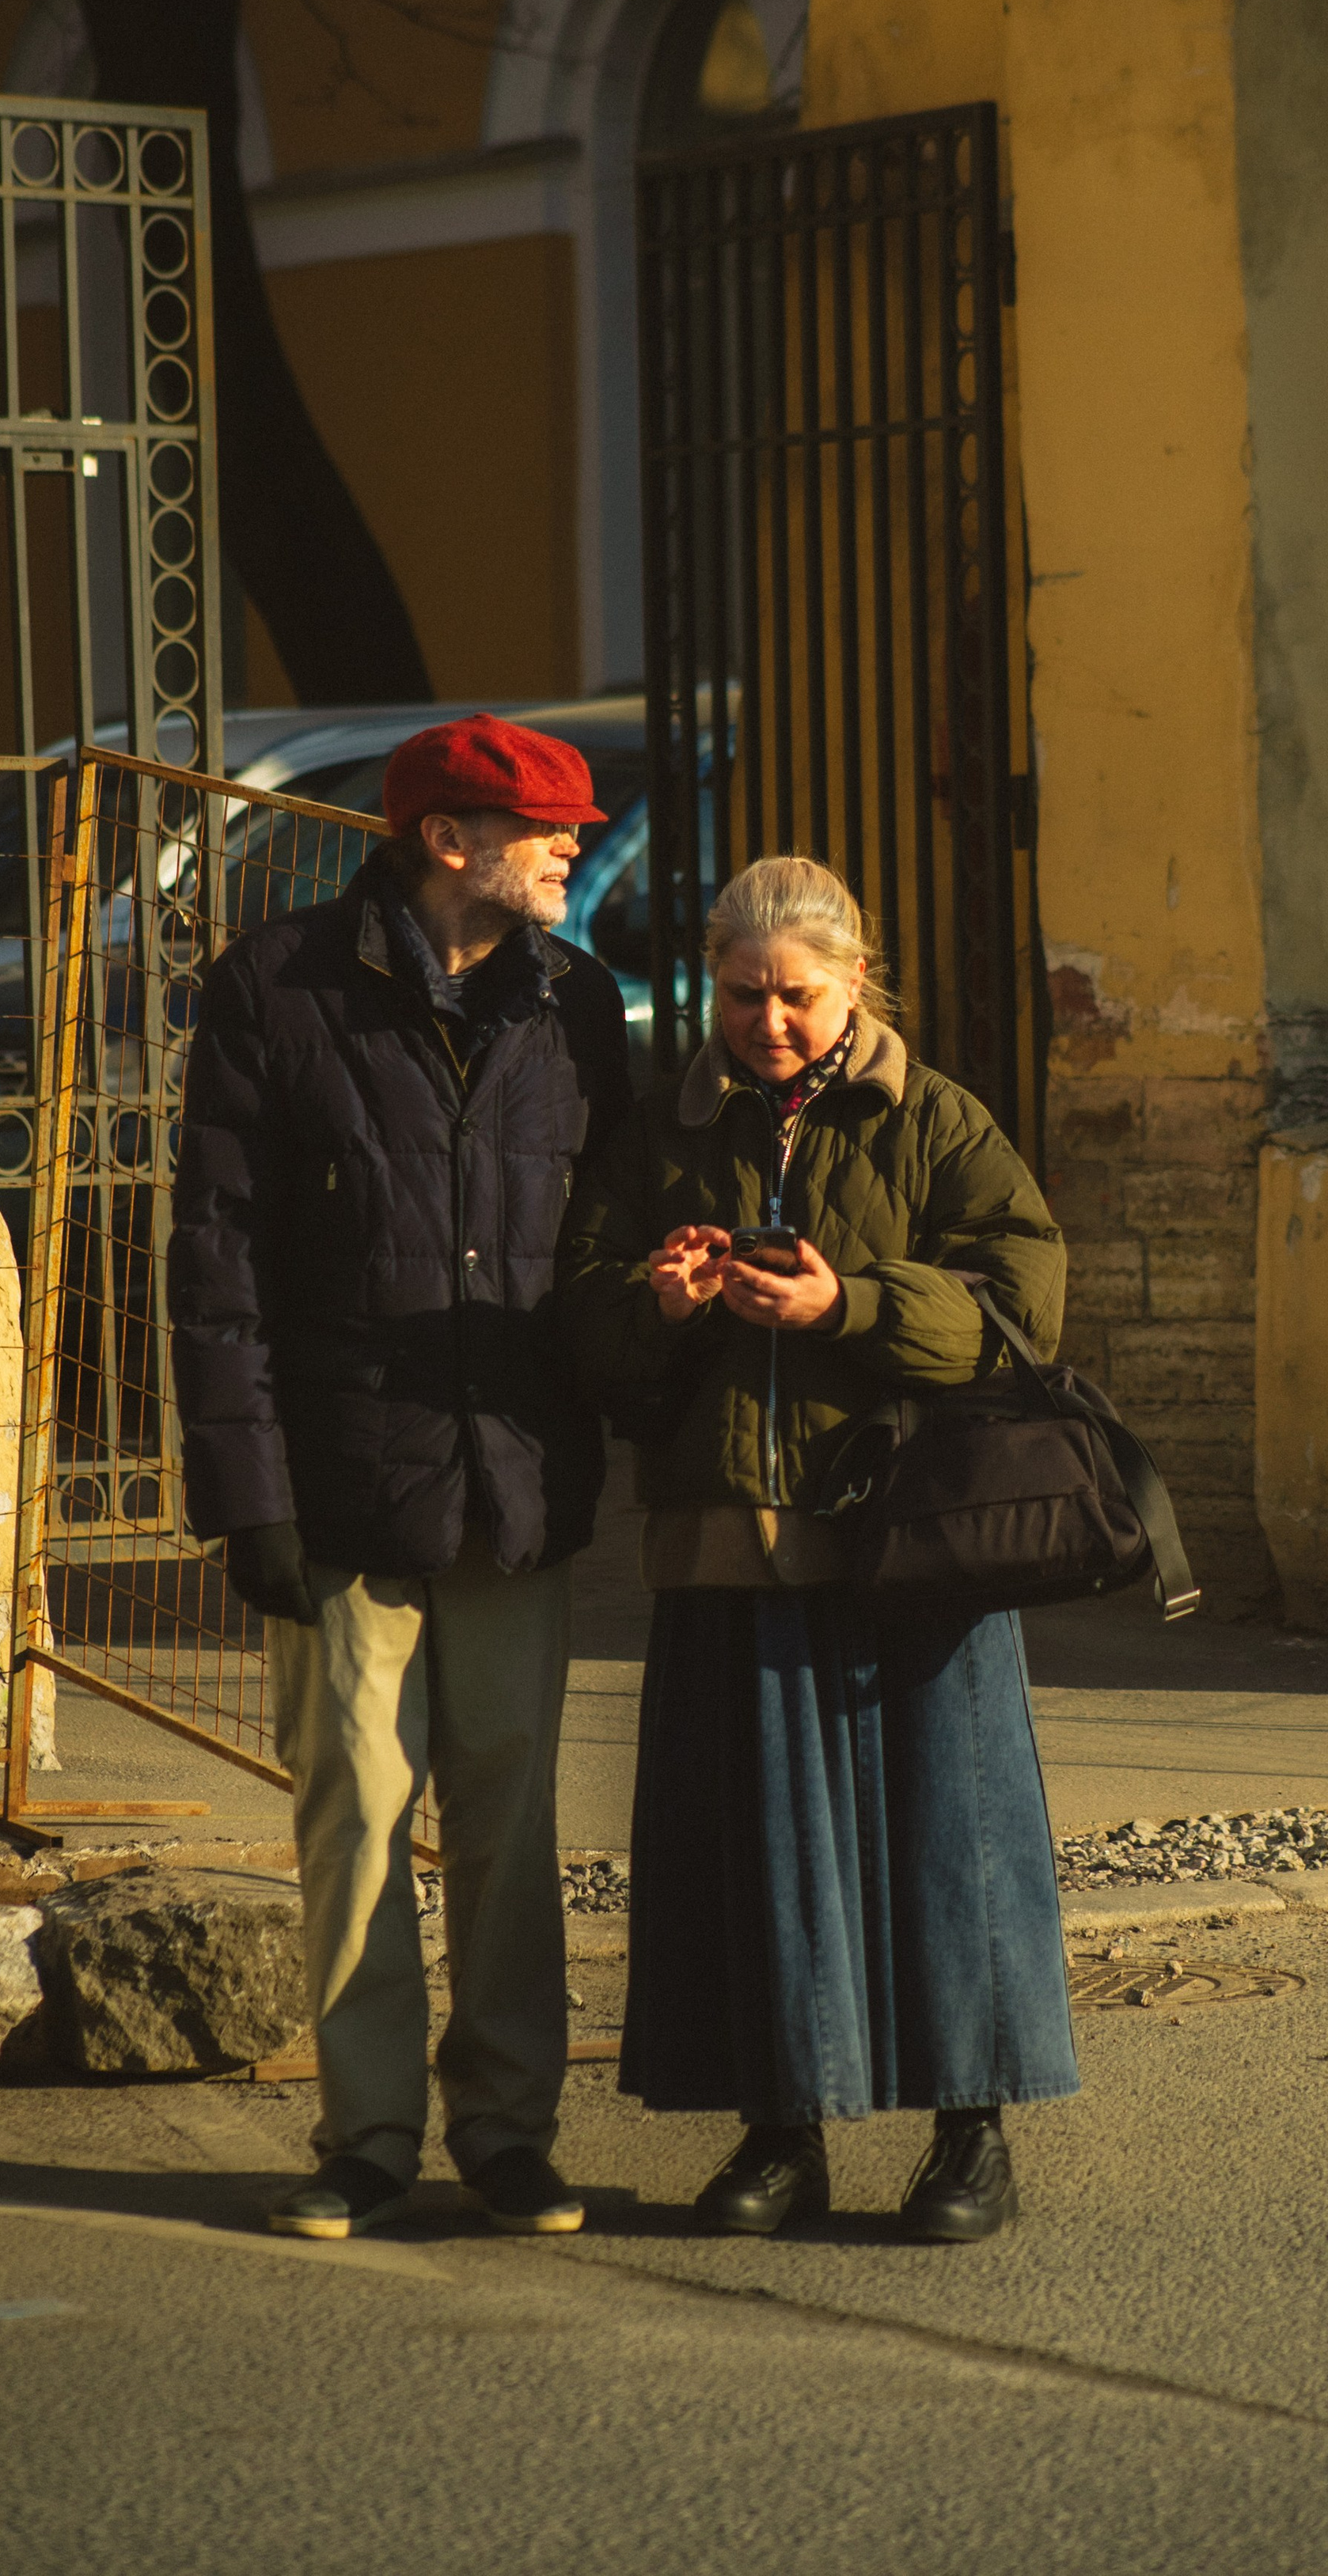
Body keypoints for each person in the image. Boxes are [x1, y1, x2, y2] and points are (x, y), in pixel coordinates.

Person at [559, 855, 1076, 2242]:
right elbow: (586, 1329)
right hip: (728, 1545)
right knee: (758, 1857)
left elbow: (1025, 1299)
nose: (768, 1024)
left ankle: (973, 2141)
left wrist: (852, 1304)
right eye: (742, 996)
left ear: (857, 984)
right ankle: (781, 2137)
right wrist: (658, 1306)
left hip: (909, 1550)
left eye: (797, 996)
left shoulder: (937, 1121)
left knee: (945, 1846)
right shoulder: (665, 1132)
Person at [168, 714, 632, 2241]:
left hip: (514, 1481)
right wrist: (252, 1503)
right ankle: (366, 2136)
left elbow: (600, 1238)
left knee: (510, 1819)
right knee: (357, 1812)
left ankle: (509, 2131)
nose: (575, 843)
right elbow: (217, 1268)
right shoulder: (276, 990)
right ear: (447, 841)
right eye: (547, 823)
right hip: (345, 1485)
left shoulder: (581, 1003)